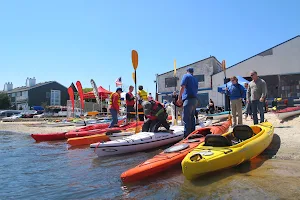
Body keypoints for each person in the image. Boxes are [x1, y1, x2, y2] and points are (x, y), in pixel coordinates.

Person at [177, 67, 199, 138]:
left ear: (187, 71)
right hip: (195, 100)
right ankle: (193, 134)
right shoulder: (195, 79)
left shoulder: (186, 76)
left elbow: (182, 87)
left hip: (188, 99)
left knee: (186, 118)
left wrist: (179, 97)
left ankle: (186, 136)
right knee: (192, 117)